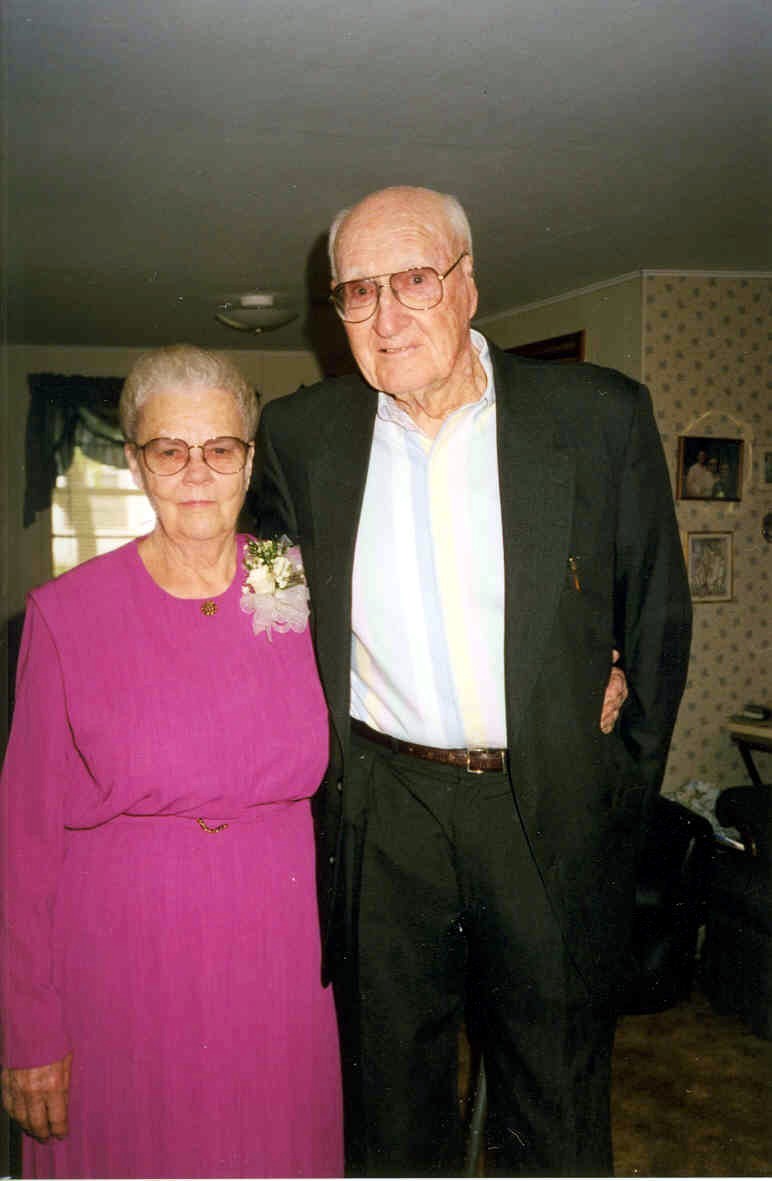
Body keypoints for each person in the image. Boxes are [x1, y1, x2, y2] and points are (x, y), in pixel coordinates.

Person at [257, 186, 692, 1176]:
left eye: (413, 280)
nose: (386, 316)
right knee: (389, 1097)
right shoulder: (300, 436)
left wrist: (609, 784)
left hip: (543, 800)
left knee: (554, 1093)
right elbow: (267, 608)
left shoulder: (597, 416)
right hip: (384, 806)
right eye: (358, 291)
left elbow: (658, 621)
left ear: (467, 286)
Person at [0, 345, 343, 1178]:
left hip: (280, 954)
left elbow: (410, 674)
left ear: (249, 461)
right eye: (169, 449)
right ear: (135, 461)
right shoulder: (67, 613)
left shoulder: (290, 582)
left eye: (220, 448)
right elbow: (23, 837)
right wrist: (27, 1027)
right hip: (123, 961)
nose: (197, 472)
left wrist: (592, 673)